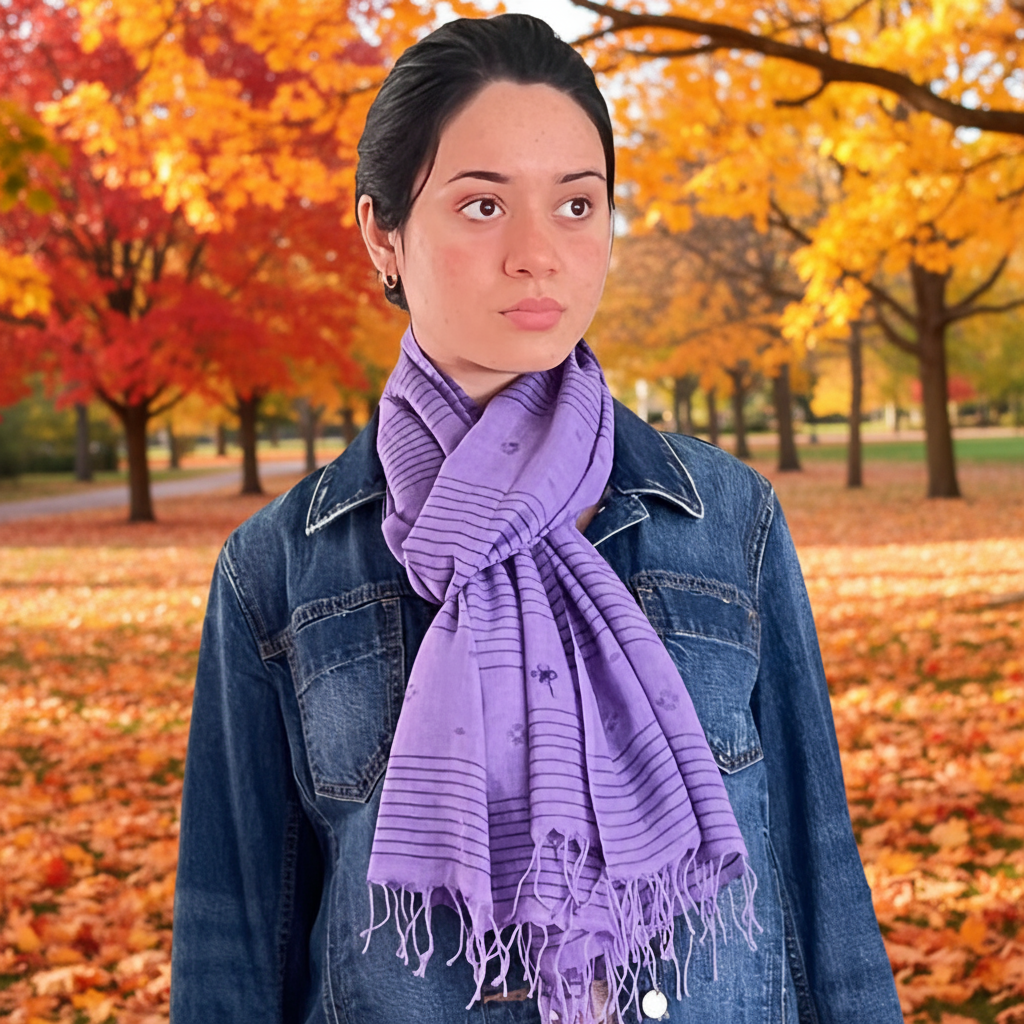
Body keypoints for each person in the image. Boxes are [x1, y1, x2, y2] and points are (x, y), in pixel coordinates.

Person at [169, 14, 902, 1024]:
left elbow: (823, 889)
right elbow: (231, 949)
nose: (538, 255)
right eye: (480, 205)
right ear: (381, 232)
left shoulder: (727, 522)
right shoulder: (279, 569)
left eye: (574, 203)